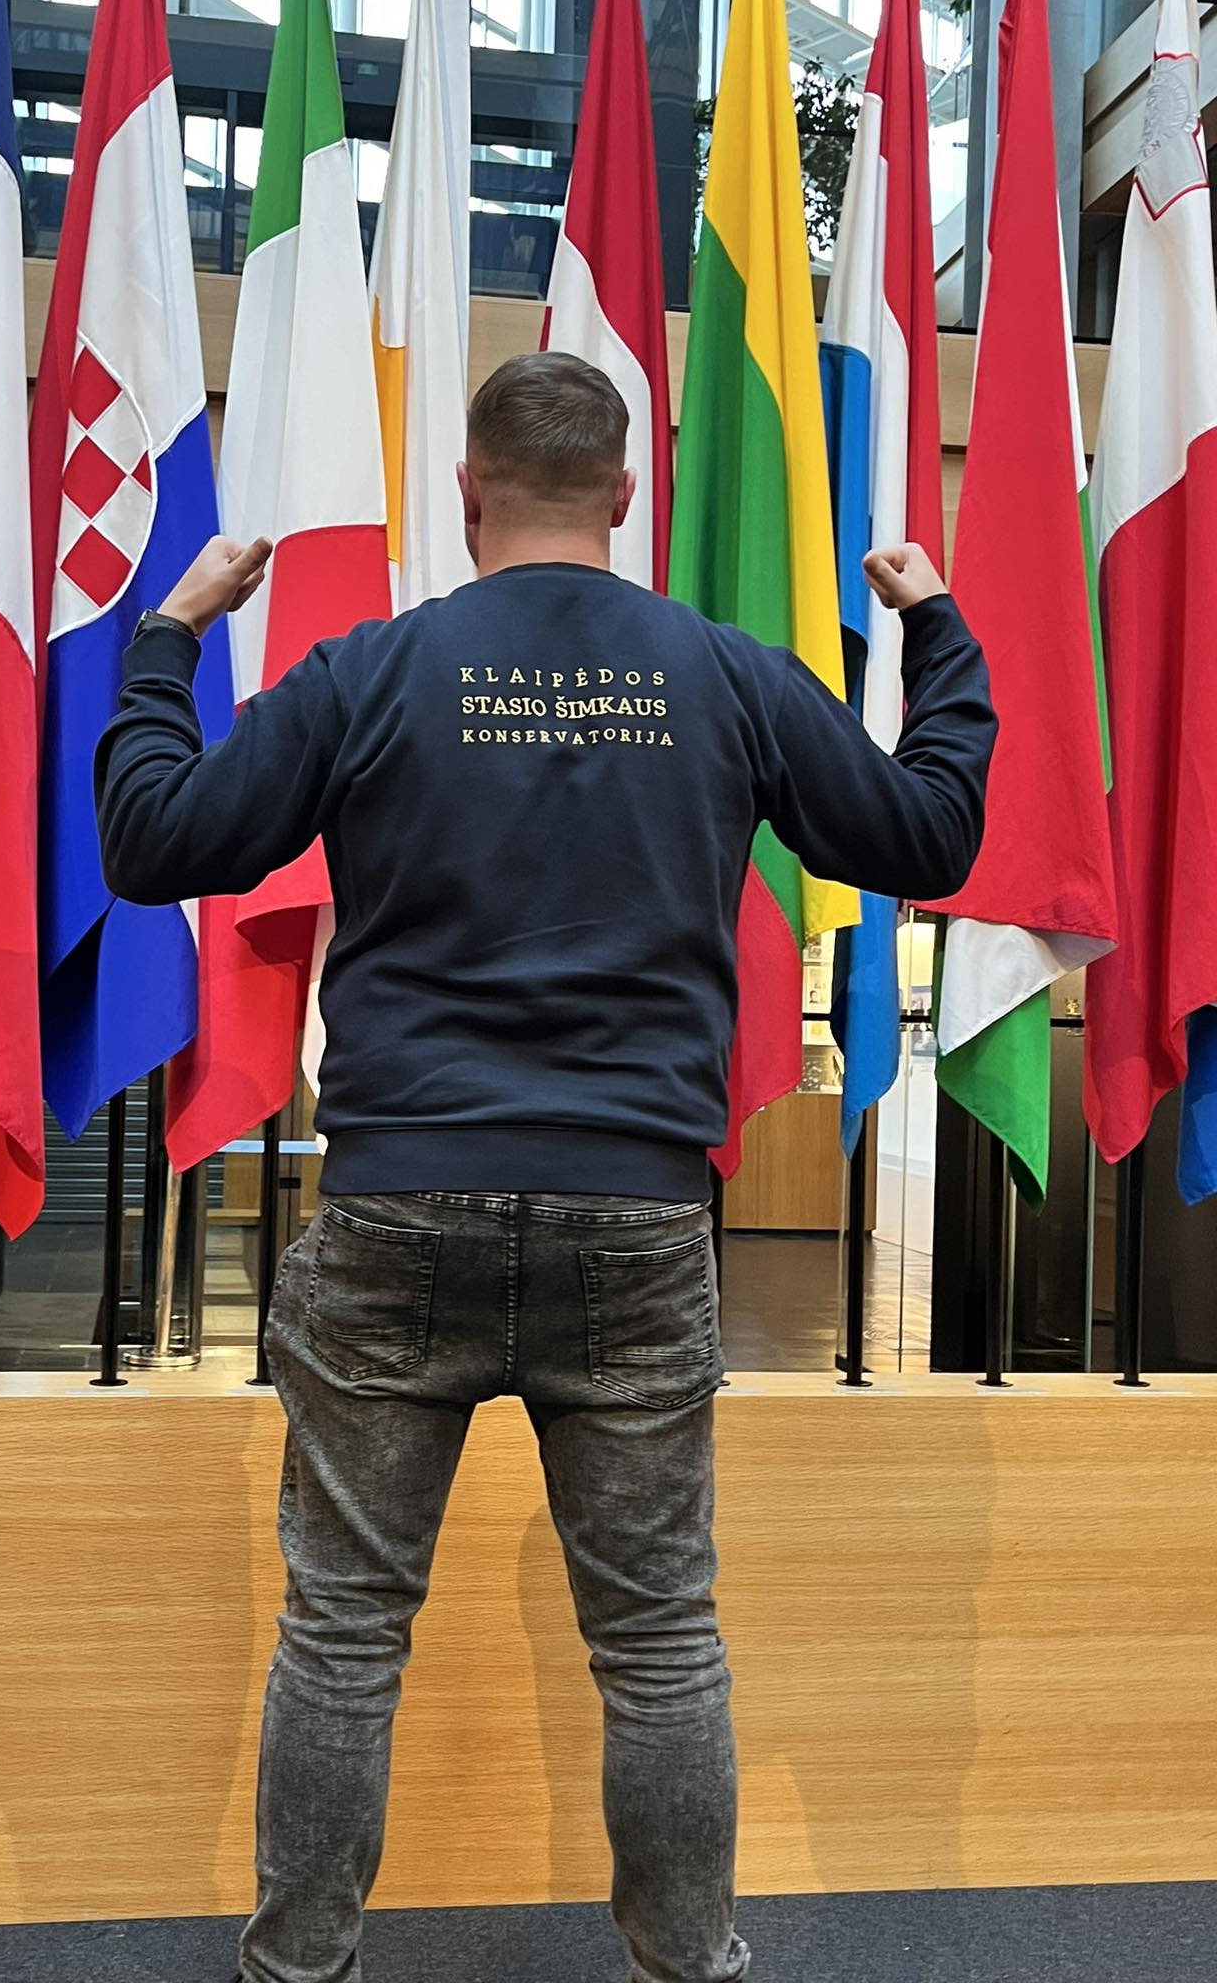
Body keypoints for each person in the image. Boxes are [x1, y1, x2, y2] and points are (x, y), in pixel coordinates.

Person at [95, 352, 997, 1983]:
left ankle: (297, 1968)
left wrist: (168, 638)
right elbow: (930, 838)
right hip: (635, 1215)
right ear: (626, 496)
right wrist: (936, 633)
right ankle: (688, 1965)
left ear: (467, 492)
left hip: (397, 1203)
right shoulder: (726, 675)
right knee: (658, 1645)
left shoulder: (370, 670)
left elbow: (155, 839)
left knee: (345, 1632)